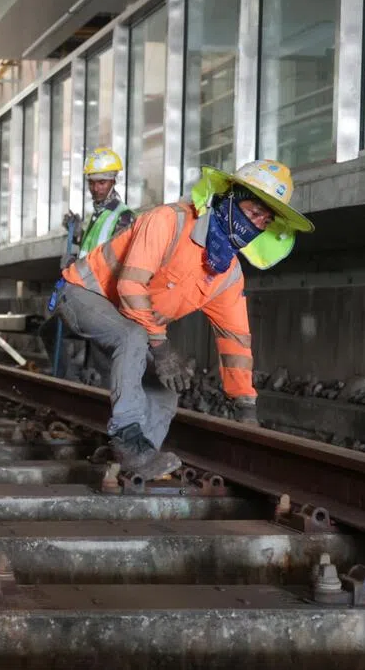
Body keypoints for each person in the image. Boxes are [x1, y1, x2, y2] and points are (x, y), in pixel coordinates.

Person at [52, 160, 313, 480]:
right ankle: (127, 441)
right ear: (229, 196)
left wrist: (244, 404)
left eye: (263, 219)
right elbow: (130, 286)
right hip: (83, 294)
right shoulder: (169, 221)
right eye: (252, 209)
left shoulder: (226, 274)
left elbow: (236, 340)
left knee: (164, 390)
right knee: (132, 336)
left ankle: (131, 462)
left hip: (129, 319)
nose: (255, 222)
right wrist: (162, 351)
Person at [50, 148, 137, 385]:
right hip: (87, 293)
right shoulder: (97, 216)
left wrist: (75, 265)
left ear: (113, 181)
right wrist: (77, 234)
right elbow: (93, 249)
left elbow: (114, 260)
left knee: (106, 363)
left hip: (105, 299)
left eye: (102, 183)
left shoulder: (124, 217)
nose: (96, 188)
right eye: (92, 183)